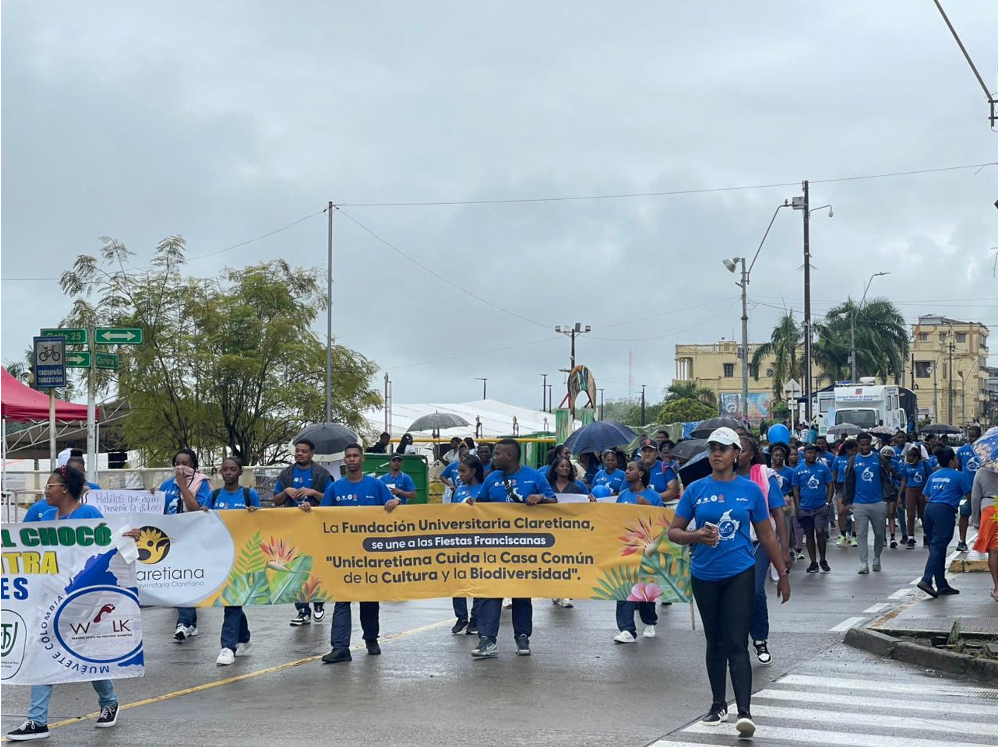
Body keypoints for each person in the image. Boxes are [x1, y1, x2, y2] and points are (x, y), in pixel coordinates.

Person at [667, 428, 790, 738]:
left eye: (722, 449)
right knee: (715, 641)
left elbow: (766, 535)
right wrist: (696, 536)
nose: (716, 454)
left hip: (740, 572)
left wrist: (782, 573)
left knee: (736, 642)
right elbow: (674, 532)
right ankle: (718, 703)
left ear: (737, 454)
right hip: (704, 575)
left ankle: (744, 712)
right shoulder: (695, 489)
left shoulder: (750, 491)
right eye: (712, 449)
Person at [5, 466, 130, 741]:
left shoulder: (88, 515)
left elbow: (107, 548)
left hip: (82, 598)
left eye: (50, 485)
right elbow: (25, 549)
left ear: (64, 488)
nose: (45, 491)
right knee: (43, 650)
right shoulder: (47, 516)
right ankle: (38, 720)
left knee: (82, 650)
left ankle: (108, 702)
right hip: (51, 598)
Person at [299, 443, 401, 663]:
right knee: (342, 599)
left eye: (355, 456)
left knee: (369, 600)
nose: (352, 459)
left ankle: (371, 639)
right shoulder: (336, 488)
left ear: (362, 459)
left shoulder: (376, 485)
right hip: (342, 555)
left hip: (370, 555)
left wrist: (395, 502)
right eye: (348, 456)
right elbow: (322, 516)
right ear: (345, 460)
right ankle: (340, 647)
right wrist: (308, 510)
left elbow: (394, 509)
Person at [465, 438, 556, 658]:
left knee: (521, 592)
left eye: (497, 454)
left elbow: (554, 502)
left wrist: (541, 498)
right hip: (494, 547)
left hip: (524, 548)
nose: (493, 458)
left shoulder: (535, 477)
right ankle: (488, 640)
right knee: (490, 591)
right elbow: (482, 506)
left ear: (510, 456)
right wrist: (472, 505)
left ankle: (522, 637)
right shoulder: (491, 479)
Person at [736, 435, 790, 666]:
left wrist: (784, 549)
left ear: (751, 454)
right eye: (733, 449)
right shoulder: (721, 479)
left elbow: (778, 513)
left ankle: (759, 639)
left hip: (759, 543)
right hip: (732, 545)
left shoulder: (765, 478)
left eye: (741, 450)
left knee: (755, 591)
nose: (736, 454)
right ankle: (735, 641)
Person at [273, 438, 333, 626]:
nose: (299, 454)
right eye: (297, 451)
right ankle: (302, 610)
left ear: (312, 453)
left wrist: (314, 493)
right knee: (294, 568)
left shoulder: (322, 474)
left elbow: (331, 500)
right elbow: (276, 500)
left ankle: (318, 604)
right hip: (293, 528)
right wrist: (287, 492)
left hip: (316, 528)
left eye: (304, 451)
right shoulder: (286, 474)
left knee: (315, 566)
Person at [207, 457, 261, 665]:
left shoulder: (249, 495)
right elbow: (202, 520)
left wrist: (255, 514)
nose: (228, 473)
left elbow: (261, 523)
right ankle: (243, 636)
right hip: (220, 554)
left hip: (243, 554)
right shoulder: (214, 496)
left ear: (240, 472)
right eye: (225, 469)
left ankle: (227, 647)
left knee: (232, 600)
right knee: (231, 600)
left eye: (233, 469)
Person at [159, 448, 213, 641]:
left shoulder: (202, 483)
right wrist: (152, 496)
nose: (181, 467)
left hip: (192, 538)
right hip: (169, 539)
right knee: (178, 580)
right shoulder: (166, 484)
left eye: (186, 464)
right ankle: (189, 622)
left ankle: (185, 622)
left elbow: (197, 509)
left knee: (185, 579)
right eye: (177, 463)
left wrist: (183, 487)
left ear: (194, 465)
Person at [612, 461, 663, 643]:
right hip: (626, 548)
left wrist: (649, 506)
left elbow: (662, 522)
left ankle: (649, 622)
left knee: (645, 586)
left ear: (641, 474)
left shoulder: (653, 496)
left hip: (646, 549)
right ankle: (627, 630)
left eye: (630, 469)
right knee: (624, 586)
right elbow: (614, 518)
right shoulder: (624, 495)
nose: (626, 472)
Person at [917, 447, 973, 598]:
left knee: (935, 546)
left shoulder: (934, 475)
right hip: (944, 510)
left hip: (929, 509)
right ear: (951, 461)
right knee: (939, 545)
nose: (958, 461)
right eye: (956, 458)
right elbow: (970, 495)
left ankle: (941, 584)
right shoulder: (959, 476)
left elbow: (926, 496)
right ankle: (926, 579)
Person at [845, 433, 895, 575]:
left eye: (867, 444)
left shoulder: (878, 458)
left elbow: (887, 478)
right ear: (858, 445)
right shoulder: (853, 460)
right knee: (861, 534)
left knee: (879, 533)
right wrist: (848, 502)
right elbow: (849, 481)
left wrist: (888, 498)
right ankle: (863, 563)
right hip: (859, 504)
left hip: (878, 502)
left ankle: (877, 558)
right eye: (862, 445)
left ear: (870, 444)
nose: (865, 447)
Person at [793, 444, 834, 573]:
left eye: (814, 453)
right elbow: (795, 490)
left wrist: (828, 503)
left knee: (820, 531)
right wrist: (798, 507)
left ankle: (823, 559)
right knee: (809, 534)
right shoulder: (798, 470)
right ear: (804, 454)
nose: (812, 455)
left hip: (820, 507)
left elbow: (830, 485)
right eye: (809, 453)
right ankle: (813, 562)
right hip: (805, 508)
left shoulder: (823, 469)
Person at [970, 461, 998, 602]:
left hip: (990, 510)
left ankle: (997, 589)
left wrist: (975, 520)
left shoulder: (982, 471)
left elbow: (975, 498)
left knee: (994, 550)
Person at [770, 444, 802, 560]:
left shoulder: (790, 472)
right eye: (776, 455)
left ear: (784, 458)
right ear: (772, 456)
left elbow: (794, 488)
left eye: (781, 456)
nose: (778, 458)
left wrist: (794, 503)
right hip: (770, 502)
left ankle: (788, 550)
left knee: (786, 527)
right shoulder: (768, 470)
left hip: (785, 502)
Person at [956, 426, 982, 552]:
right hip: (966, 489)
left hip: (983, 489)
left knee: (984, 515)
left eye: (975, 436)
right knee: (964, 514)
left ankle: (982, 540)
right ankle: (962, 541)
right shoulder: (961, 451)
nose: (973, 439)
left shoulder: (985, 450)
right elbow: (960, 468)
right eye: (971, 436)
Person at [900, 445, 931, 549]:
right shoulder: (906, 466)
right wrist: (900, 495)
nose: (909, 460)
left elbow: (931, 477)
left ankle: (927, 535)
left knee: (923, 514)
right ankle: (911, 537)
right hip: (910, 489)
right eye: (908, 457)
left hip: (922, 489)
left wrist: (929, 492)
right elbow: (904, 480)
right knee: (910, 514)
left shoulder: (924, 464)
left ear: (917, 457)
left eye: (911, 457)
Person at [637, 438, 680, 504]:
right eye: (644, 451)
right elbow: (624, 491)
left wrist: (651, 498)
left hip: (661, 506)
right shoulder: (634, 468)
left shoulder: (665, 467)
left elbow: (673, 491)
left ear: (657, 453)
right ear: (640, 453)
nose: (647, 454)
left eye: (651, 451)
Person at [832, 440, 857, 547]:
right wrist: (835, 487)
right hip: (841, 486)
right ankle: (843, 535)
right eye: (853, 450)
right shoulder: (838, 459)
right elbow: (834, 474)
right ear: (847, 449)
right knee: (842, 511)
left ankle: (854, 536)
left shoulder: (857, 459)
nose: (855, 452)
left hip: (854, 486)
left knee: (853, 512)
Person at [883, 445, 907, 549]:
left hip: (892, 488)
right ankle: (882, 537)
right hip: (882, 489)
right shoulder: (879, 464)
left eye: (889, 457)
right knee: (882, 515)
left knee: (891, 513)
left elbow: (900, 477)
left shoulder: (895, 464)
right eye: (885, 457)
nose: (887, 459)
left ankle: (892, 537)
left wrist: (892, 470)